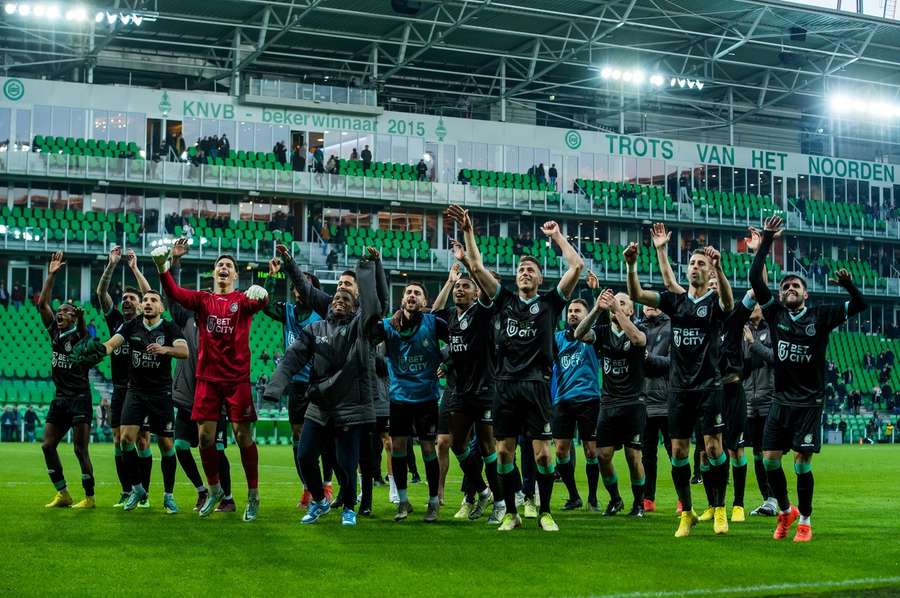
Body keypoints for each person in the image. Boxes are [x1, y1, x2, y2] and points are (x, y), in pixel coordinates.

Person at [446, 204, 584, 532]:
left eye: (530, 270)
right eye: (521, 269)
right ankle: (511, 511)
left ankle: (545, 510)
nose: (524, 272)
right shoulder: (504, 300)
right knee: (504, 453)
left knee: (542, 456)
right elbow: (477, 267)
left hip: (537, 384)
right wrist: (468, 229)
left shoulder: (550, 303)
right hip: (505, 385)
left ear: (540, 278)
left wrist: (557, 237)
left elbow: (577, 265)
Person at [750, 215, 866, 543]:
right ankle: (785, 510)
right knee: (770, 460)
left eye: (795, 286)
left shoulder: (822, 315)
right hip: (780, 400)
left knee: (801, 463)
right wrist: (769, 240)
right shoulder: (775, 315)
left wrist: (847, 285)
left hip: (809, 402)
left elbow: (860, 304)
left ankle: (805, 519)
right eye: (785, 286)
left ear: (806, 295)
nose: (789, 288)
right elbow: (754, 279)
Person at [626, 227, 734, 537]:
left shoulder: (714, 302)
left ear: (709, 269)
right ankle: (686, 513)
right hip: (679, 389)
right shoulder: (676, 301)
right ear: (687, 270)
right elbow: (636, 295)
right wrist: (633, 266)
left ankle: (720, 507)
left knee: (714, 449)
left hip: (709, 386)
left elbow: (728, 303)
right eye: (693, 264)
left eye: (702, 263)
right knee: (678, 452)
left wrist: (721, 269)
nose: (697, 267)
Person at [264, 248, 384, 527]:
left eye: (346, 298)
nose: (340, 300)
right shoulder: (315, 329)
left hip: (350, 406)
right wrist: (275, 387)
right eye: (336, 298)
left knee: (347, 462)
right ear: (328, 305)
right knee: (305, 456)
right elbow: (292, 360)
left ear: (355, 307)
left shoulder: (359, 328)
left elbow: (375, 305)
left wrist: (368, 267)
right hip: (319, 404)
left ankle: (350, 508)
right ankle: (319, 500)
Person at [151, 244, 269, 522]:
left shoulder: (242, 301)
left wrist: (262, 293)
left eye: (229, 266)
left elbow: (261, 302)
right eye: (220, 265)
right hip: (207, 380)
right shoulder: (203, 300)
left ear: (236, 275)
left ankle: (253, 496)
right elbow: (176, 294)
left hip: (237, 380)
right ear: (213, 273)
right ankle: (214, 490)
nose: (224, 268)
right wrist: (163, 269)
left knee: (243, 437)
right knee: (204, 438)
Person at [89, 290, 188, 514]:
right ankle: (137, 489)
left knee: (166, 445)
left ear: (161, 308)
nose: (149, 303)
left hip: (161, 393)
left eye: (154, 300)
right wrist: (99, 350)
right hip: (136, 392)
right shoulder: (132, 325)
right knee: (125, 440)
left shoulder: (169, 328)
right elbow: (112, 344)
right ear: (142, 307)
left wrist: (166, 349)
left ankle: (168, 496)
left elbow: (185, 351)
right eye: (146, 300)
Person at [430, 259, 505, 524]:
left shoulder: (482, 312)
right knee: (457, 444)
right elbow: (433, 314)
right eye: (457, 287)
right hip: (459, 390)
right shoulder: (450, 316)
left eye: (466, 287)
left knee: (487, 447)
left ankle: (500, 502)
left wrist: (470, 265)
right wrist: (450, 280)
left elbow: (487, 292)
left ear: (475, 293)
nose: (460, 290)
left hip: (484, 388)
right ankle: (482, 490)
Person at [164, 239, 234, 513]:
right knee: (180, 446)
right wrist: (175, 262)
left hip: (216, 396)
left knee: (216, 451)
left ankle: (227, 496)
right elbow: (172, 294)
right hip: (187, 397)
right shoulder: (186, 318)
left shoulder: (227, 319)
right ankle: (202, 491)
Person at [372, 281, 449, 523]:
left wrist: (447, 362)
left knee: (428, 449)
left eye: (417, 293)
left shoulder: (434, 323)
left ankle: (433, 502)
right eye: (408, 293)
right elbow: (366, 337)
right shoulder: (388, 326)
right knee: (397, 448)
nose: (412, 296)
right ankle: (403, 502)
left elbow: (458, 343)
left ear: (425, 302)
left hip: (426, 396)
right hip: (399, 397)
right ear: (402, 299)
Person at [264, 246, 334, 508]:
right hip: (297, 384)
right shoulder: (290, 312)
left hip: (320, 382)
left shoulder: (323, 312)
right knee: (297, 434)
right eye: (295, 285)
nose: (298, 290)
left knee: (325, 436)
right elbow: (265, 305)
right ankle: (307, 487)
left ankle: (327, 484)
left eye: (303, 285)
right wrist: (272, 277)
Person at [575, 289, 648, 518]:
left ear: (629, 310)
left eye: (622, 302)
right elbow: (579, 334)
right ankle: (615, 499)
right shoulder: (603, 331)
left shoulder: (638, 330)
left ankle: (638, 503)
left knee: (633, 456)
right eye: (614, 301)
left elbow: (639, 340)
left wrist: (615, 309)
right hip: (608, 403)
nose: (616, 304)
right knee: (602, 455)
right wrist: (597, 308)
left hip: (633, 402)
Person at [39, 252, 96, 509]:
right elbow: (42, 304)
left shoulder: (80, 336)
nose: (60, 313)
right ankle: (63, 494)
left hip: (80, 398)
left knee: (79, 450)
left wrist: (82, 318)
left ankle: (90, 497)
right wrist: (51, 274)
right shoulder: (54, 331)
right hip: (60, 398)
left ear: (73, 318)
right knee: (47, 445)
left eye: (65, 312)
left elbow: (85, 334)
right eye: (59, 310)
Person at [97, 246, 153, 507]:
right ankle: (127, 490)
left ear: (140, 305)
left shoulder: (145, 324)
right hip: (119, 389)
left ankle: (145, 494)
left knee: (142, 440)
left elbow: (150, 293)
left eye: (132, 298)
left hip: (142, 389)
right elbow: (101, 293)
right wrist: (112, 264)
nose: (126, 300)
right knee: (119, 441)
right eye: (124, 298)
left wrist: (133, 268)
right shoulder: (116, 322)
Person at [550, 293, 602, 512]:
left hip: (589, 398)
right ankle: (573, 496)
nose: (572, 314)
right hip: (562, 400)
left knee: (592, 451)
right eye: (570, 311)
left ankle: (592, 498)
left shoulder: (593, 338)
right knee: (561, 451)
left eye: (577, 311)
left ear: (586, 314)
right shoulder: (557, 338)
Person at [742, 303, 778, 517]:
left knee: (769, 453)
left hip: (769, 400)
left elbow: (775, 358)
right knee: (756, 453)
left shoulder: (772, 329)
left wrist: (753, 344)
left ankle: (775, 499)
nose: (752, 308)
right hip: (748, 402)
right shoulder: (740, 329)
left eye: (756, 305)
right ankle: (767, 500)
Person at [640, 302, 671, 514]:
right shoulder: (636, 328)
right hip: (642, 401)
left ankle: (682, 499)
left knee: (676, 452)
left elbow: (673, 361)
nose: (649, 306)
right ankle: (647, 499)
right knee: (646, 455)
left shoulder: (672, 327)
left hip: (668, 401)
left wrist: (649, 359)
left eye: (654, 302)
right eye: (645, 303)